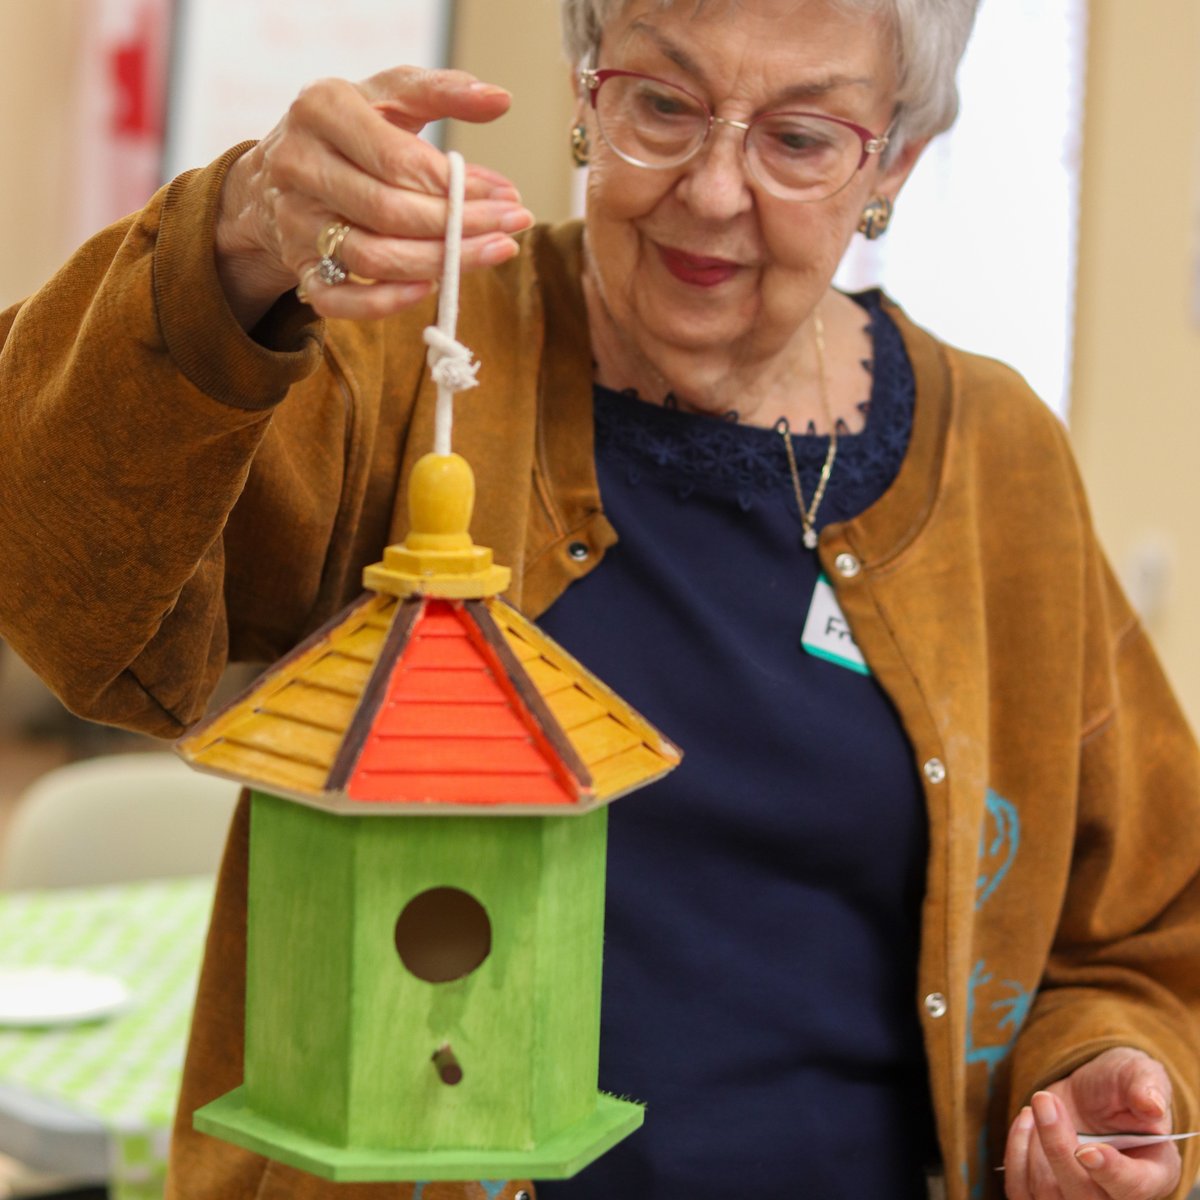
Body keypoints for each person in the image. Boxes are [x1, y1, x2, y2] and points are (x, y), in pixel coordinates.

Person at [1, 1, 1198, 1198]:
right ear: (585, 95)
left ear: (894, 160)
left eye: (801, 138)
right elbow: (58, 584)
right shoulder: (420, 354)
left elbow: (1139, 929)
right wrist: (230, 254)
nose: (714, 190)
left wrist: (1105, 1066)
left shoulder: (996, 458)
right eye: (664, 104)